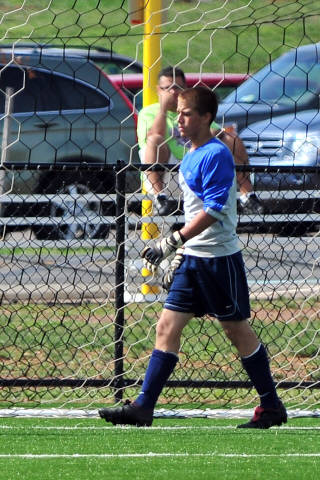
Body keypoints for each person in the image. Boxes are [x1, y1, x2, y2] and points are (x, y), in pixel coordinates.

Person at [100, 86, 286, 428]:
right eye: (179, 114)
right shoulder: (191, 153)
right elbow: (191, 206)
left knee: (236, 331)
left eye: (186, 114)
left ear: (205, 117)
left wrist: (174, 241)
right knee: (166, 327)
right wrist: (183, 250)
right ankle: (143, 407)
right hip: (193, 256)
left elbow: (215, 210)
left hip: (217, 259)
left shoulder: (216, 154)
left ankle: (271, 405)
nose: (180, 120)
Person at [137, 66, 264, 216]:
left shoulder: (192, 110)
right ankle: (160, 199)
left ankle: (248, 196)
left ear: (185, 89)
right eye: (168, 88)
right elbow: (155, 134)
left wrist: (219, 135)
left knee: (231, 139)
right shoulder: (149, 112)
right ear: (159, 90)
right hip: (167, 172)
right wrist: (163, 109)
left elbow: (214, 130)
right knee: (154, 140)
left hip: (196, 164)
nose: (173, 92)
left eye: (178, 87)